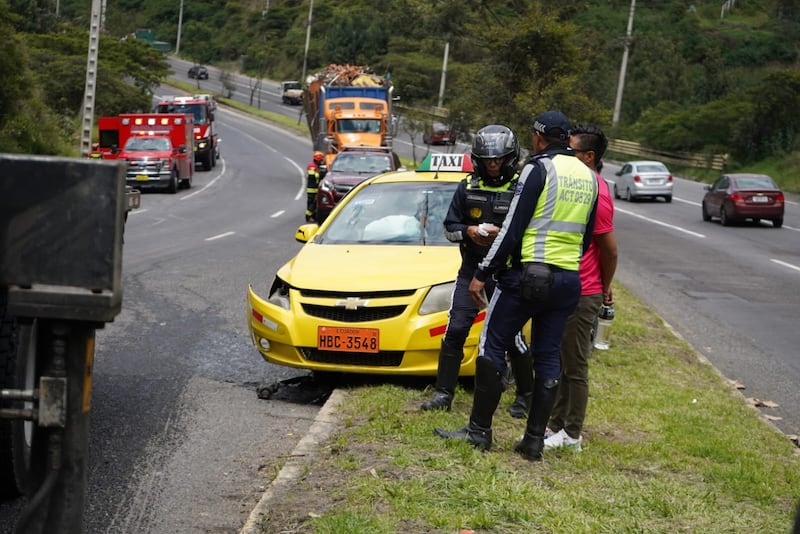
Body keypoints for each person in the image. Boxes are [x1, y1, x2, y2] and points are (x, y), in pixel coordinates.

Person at [435, 111, 599, 461]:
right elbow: (586, 238)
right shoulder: (589, 176)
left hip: (527, 275)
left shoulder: (538, 168)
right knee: (548, 356)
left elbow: (512, 228)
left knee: (492, 344)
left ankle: (479, 431)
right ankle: (534, 440)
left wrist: (484, 272)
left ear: (538, 138)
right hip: (568, 279)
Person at [420, 125, 533, 418]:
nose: (493, 165)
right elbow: (449, 228)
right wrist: (469, 231)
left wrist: (502, 236)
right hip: (470, 270)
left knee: (511, 337)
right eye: (487, 160)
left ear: (510, 158)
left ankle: (525, 396)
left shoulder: (521, 189)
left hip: (506, 273)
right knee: (456, 328)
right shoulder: (467, 187)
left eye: (498, 160)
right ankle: (443, 393)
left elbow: (530, 233)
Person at [543, 124, 618, 452]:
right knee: (561, 360)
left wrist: (604, 286)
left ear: (588, 156)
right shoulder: (579, 184)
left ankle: (572, 434)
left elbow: (610, 250)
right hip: (569, 285)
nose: (564, 154)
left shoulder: (598, 194)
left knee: (575, 365)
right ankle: (555, 425)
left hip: (585, 290)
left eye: (570, 150)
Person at [306, 151, 326, 222]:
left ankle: (313, 216)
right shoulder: (312, 166)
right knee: (312, 204)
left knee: (315, 203)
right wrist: (321, 174)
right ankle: (308, 216)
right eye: (321, 160)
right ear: (318, 159)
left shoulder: (316, 166)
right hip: (312, 188)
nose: (321, 161)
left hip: (315, 188)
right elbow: (312, 177)